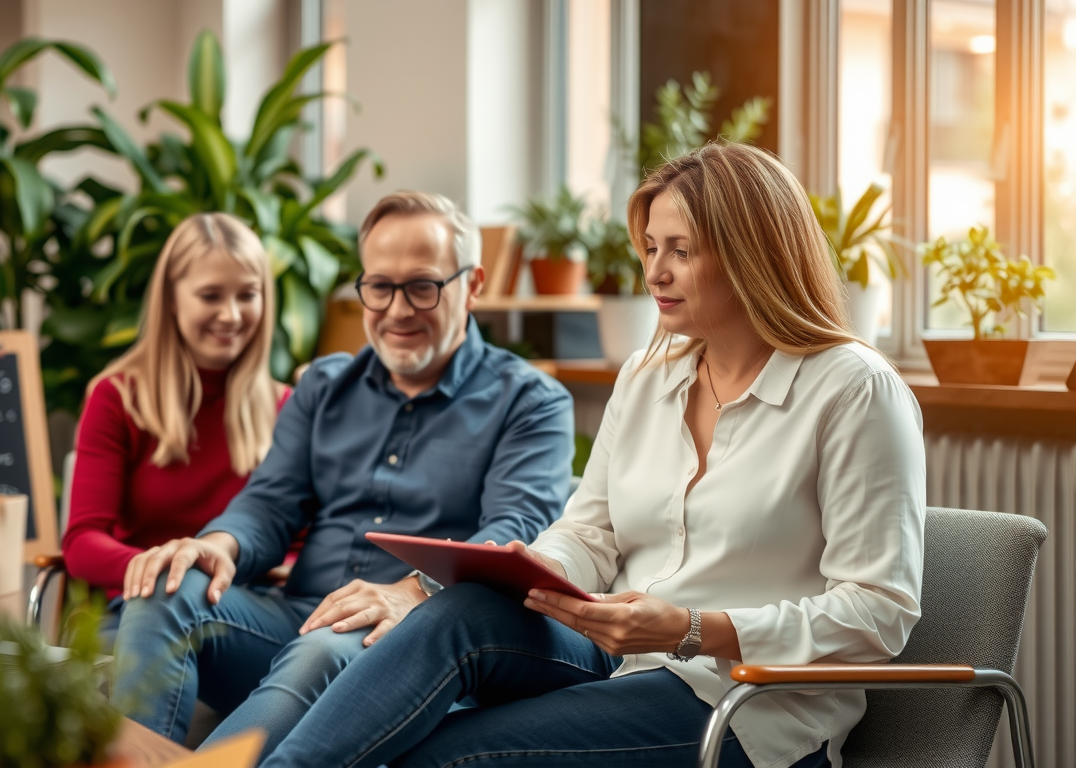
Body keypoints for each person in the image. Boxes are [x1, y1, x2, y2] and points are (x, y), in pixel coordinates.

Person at [260, 143, 928, 768]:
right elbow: (591, 529)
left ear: (753, 255)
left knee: (431, 753)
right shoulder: (648, 373)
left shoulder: (853, 388)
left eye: (682, 251)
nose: (654, 272)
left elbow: (879, 610)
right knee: (457, 615)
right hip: (620, 654)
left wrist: (692, 628)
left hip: (746, 706)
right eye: (651, 247)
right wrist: (525, 571)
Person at [108, 191, 575, 759]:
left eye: (423, 286)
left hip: (403, 645)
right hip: (295, 620)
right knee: (168, 587)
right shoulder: (323, 386)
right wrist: (219, 545)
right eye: (379, 286)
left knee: (327, 645)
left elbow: (513, 527)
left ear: (472, 285)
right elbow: (269, 503)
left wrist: (415, 592)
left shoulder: (531, 401)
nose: (397, 309)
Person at [63, 212, 290, 644]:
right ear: (171, 298)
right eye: (210, 296)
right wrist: (166, 563)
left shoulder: (287, 406)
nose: (231, 314)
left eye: (248, 295)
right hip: (139, 601)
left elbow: (301, 545)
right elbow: (82, 541)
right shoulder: (118, 397)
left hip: (245, 611)